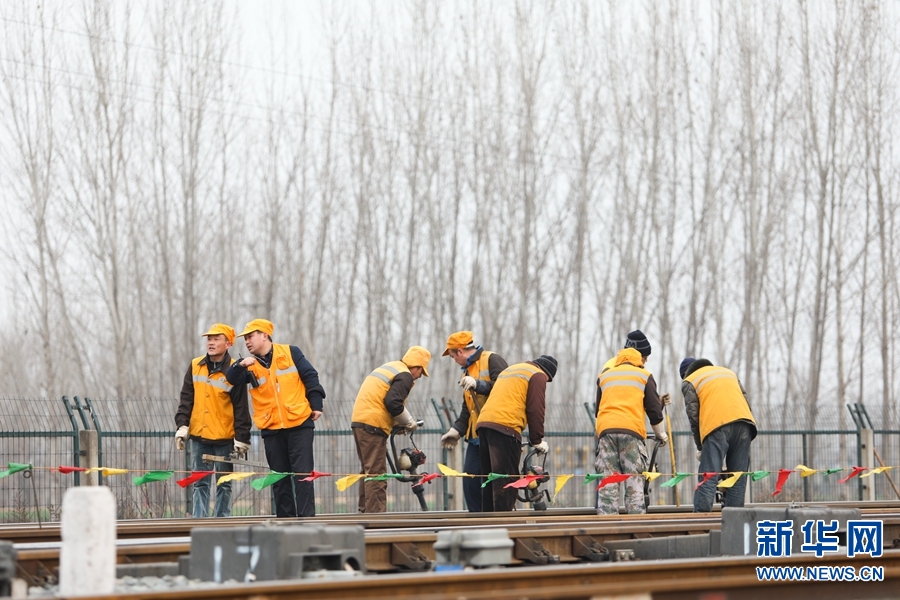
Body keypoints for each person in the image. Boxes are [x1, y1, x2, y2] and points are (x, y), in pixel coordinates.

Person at [225, 319, 326, 517]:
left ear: (265, 335)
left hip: (299, 424)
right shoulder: (249, 365)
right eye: (245, 338)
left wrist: (316, 404)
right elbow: (231, 379)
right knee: (279, 480)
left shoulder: (291, 352)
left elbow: (310, 376)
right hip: (271, 428)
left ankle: (307, 522)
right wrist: (239, 365)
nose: (247, 342)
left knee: (303, 477)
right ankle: (285, 522)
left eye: (250, 336)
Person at [174, 323, 251, 518]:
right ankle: (200, 522)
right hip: (200, 436)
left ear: (228, 343)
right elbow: (186, 399)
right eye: (209, 338)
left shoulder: (235, 370)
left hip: (224, 437)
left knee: (224, 484)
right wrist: (182, 425)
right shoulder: (195, 365)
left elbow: (241, 407)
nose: (211, 342)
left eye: (217, 339)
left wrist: (241, 438)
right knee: (200, 482)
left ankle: (221, 522)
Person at [351, 346, 431, 513]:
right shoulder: (405, 375)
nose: (418, 377)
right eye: (421, 373)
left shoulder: (392, 367)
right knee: (377, 474)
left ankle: (365, 510)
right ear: (416, 367)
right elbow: (392, 402)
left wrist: (396, 424)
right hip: (373, 424)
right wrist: (409, 422)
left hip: (361, 421)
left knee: (368, 470)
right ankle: (376, 518)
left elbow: (381, 401)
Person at [475, 355, 556, 511]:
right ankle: (505, 527)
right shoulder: (538, 375)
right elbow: (536, 409)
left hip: (484, 424)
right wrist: (537, 440)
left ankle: (487, 525)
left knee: (489, 481)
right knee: (506, 482)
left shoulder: (512, 369)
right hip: (505, 427)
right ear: (547, 374)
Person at [439, 331, 508, 512]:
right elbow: (467, 408)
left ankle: (499, 524)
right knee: (471, 483)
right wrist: (456, 430)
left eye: (453, 356)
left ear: (460, 352)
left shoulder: (492, 360)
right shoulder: (467, 372)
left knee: (496, 483)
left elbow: (505, 389)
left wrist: (479, 384)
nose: (454, 361)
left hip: (497, 433)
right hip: (477, 436)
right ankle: (477, 523)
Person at [594, 346, 667, 515]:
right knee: (633, 481)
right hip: (631, 433)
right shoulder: (644, 375)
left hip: (606, 431)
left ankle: (606, 526)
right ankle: (635, 526)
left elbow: (598, 409)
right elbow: (654, 412)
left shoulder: (604, 376)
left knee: (609, 481)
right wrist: (660, 435)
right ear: (639, 360)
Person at [680, 357, 757, 512]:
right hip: (745, 424)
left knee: (708, 477)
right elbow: (746, 402)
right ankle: (734, 523)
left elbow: (694, 417)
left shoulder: (690, 381)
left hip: (717, 426)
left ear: (685, 374)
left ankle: (701, 524)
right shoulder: (728, 373)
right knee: (737, 479)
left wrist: (701, 447)